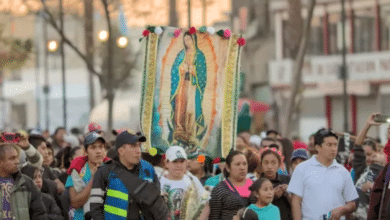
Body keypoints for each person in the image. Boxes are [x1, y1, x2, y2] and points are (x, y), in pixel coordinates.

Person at [90, 130, 168, 220]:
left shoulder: (148, 169)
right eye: (133, 146)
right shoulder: (104, 172)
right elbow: (95, 208)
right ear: (121, 151)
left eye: (139, 146)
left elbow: (156, 202)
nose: (138, 151)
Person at [287, 129, 358, 220]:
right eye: (329, 145)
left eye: (335, 145)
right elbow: (295, 201)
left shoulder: (343, 172)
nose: (333, 149)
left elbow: (352, 204)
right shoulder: (302, 169)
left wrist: (342, 209)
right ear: (318, 147)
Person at [169, 31, 207, 146]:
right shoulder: (181, 54)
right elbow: (174, 69)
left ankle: (191, 134)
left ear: (194, 40)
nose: (187, 42)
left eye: (189, 39)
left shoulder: (199, 55)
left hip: (193, 85)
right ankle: (179, 131)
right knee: (180, 106)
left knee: (191, 108)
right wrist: (181, 68)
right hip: (182, 84)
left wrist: (193, 70)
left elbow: (203, 73)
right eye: (185, 40)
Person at [65, 131, 108, 220]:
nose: (98, 151)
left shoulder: (111, 169)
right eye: (93, 147)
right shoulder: (76, 169)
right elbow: (75, 203)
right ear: (85, 152)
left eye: (101, 147)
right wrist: (94, 179)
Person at [0, 142, 47, 219]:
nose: (17, 161)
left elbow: (39, 213)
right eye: (12, 158)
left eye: (17, 157)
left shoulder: (26, 182)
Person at [160, 146, 208, 219]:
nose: (178, 165)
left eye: (182, 161)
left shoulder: (192, 180)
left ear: (186, 162)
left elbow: (206, 203)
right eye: (175, 161)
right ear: (167, 163)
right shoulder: (159, 182)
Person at [209, 151, 256, 220]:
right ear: (228, 168)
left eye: (244, 164)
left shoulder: (255, 186)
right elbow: (214, 217)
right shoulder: (219, 189)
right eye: (237, 164)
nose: (242, 168)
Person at [259, 146, 291, 220]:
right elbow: (255, 206)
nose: (269, 167)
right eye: (266, 163)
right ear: (261, 164)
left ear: (279, 164)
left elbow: (296, 203)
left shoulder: (287, 179)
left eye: (273, 163)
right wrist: (272, 195)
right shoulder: (257, 183)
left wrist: (287, 192)